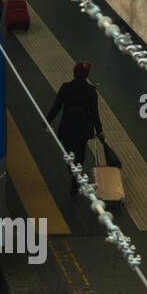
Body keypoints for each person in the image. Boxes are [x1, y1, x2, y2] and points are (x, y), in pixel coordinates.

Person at [46, 62, 105, 195]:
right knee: (80, 151)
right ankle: (77, 173)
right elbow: (95, 112)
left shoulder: (66, 87)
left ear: (74, 73)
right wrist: (99, 129)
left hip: (68, 124)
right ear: (86, 75)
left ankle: (72, 173)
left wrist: (48, 120)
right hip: (83, 126)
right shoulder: (91, 90)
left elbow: (57, 106)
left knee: (69, 151)